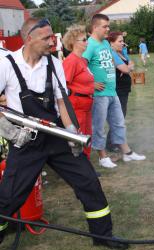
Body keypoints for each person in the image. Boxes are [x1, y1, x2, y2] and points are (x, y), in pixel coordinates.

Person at [0, 18, 128, 249]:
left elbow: (62, 102)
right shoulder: (6, 64)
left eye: (52, 37)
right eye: (46, 38)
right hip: (25, 140)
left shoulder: (53, 63)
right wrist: (8, 130)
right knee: (9, 195)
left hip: (56, 135)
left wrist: (71, 133)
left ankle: (103, 235)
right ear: (29, 39)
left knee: (88, 182)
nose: (52, 42)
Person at [83, 14, 145, 169]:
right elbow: (81, 66)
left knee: (119, 123)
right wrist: (91, 83)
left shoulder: (105, 43)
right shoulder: (89, 45)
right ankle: (102, 157)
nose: (108, 29)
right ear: (95, 27)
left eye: (108, 26)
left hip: (112, 92)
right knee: (99, 127)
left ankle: (127, 152)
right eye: (105, 26)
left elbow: (113, 61)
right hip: (99, 95)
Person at [62, 25, 94, 159]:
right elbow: (63, 86)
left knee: (87, 136)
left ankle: (86, 165)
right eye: (84, 40)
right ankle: (81, 166)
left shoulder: (81, 60)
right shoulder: (71, 61)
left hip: (86, 104)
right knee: (78, 138)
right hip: (77, 105)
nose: (87, 42)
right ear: (74, 42)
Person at [107, 32, 134, 118]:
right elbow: (126, 69)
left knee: (122, 115)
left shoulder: (120, 52)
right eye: (120, 41)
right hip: (118, 89)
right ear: (111, 43)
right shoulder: (112, 53)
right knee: (119, 117)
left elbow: (131, 64)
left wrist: (127, 67)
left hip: (124, 89)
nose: (123, 43)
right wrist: (127, 68)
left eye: (123, 41)